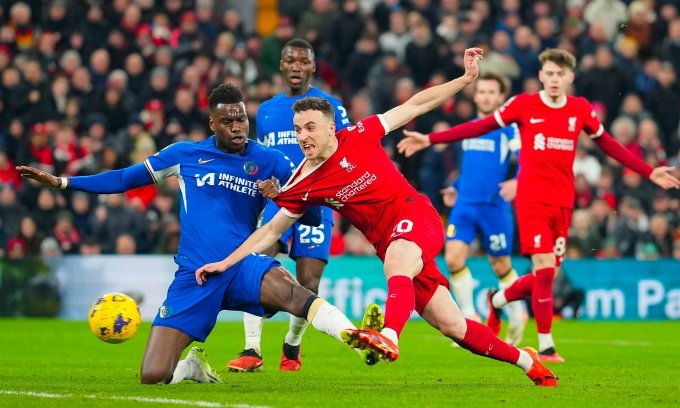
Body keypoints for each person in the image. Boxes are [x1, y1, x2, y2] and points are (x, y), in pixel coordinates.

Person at [197, 49, 559, 387]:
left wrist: (464, 80)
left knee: (398, 260)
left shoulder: (360, 133)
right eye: (296, 130)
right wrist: (225, 263)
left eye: (309, 128)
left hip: (416, 216)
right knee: (454, 327)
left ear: (328, 128)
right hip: (390, 244)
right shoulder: (304, 181)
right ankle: (526, 361)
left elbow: (415, 104)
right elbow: (270, 231)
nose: (301, 136)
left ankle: (388, 336)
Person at [16, 83, 387, 385]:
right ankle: (189, 367)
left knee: (295, 293)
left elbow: (314, 215)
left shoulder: (271, 160)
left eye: (242, 119)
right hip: (194, 275)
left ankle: (358, 341)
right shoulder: (185, 155)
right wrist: (64, 182)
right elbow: (123, 179)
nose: (238, 127)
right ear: (213, 124)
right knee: (152, 376)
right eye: (228, 121)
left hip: (241, 265)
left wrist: (283, 196)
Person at [397, 48, 680, 362]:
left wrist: (649, 170)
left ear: (569, 77)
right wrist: (431, 140)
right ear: (541, 76)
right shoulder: (525, 105)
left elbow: (609, 145)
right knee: (543, 268)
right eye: (549, 73)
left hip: (563, 202)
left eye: (560, 74)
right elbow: (479, 126)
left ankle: (500, 298)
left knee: (548, 274)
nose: (555, 79)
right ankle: (546, 347)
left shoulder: (580, 109)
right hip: (532, 201)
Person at [229, 38, 350, 373]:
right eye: (290, 60)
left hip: (318, 201)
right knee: (255, 263)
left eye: (303, 61)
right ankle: (251, 349)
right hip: (279, 201)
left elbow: (346, 152)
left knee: (309, 281)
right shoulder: (266, 111)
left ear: (313, 66)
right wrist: (259, 185)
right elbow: (260, 158)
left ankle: (292, 347)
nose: (296, 66)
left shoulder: (332, 107)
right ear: (281, 65)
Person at [403, 72, 526, 346]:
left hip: (494, 206)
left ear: (500, 97)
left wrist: (517, 183)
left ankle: (517, 312)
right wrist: (456, 185)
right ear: (475, 95)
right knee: (454, 258)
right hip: (465, 205)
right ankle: (469, 320)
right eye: (481, 91)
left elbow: (524, 160)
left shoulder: (509, 129)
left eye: (491, 92)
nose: (485, 96)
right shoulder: (470, 128)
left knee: (501, 265)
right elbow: (471, 166)